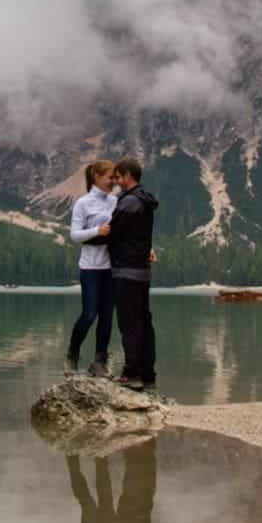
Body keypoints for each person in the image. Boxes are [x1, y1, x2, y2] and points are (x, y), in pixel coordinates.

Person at [107, 157, 158, 390]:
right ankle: (148, 374)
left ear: (128, 176)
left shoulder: (128, 202)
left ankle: (132, 374)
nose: (115, 181)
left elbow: (114, 231)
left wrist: (91, 237)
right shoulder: (144, 200)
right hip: (141, 271)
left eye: (118, 177)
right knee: (144, 321)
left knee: (129, 324)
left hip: (126, 270)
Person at [66, 159, 117, 374]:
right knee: (89, 314)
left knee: (107, 316)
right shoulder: (83, 203)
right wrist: (98, 231)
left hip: (111, 268)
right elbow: (75, 235)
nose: (114, 181)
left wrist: (146, 249)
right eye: (110, 177)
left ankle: (99, 362)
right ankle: (72, 354)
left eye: (116, 177)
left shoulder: (116, 201)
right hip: (90, 268)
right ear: (97, 177)